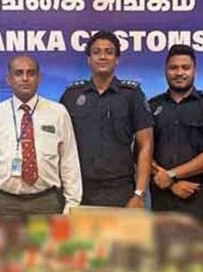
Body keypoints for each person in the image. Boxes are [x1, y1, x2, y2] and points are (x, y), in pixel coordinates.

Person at [0, 55, 81, 217]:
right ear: (9, 79)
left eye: (30, 73)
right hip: (5, 203)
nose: (25, 78)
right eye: (18, 73)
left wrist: (72, 204)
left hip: (46, 202)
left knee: (46, 236)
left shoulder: (58, 112)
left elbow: (69, 161)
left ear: (39, 78)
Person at [60, 31, 153, 207]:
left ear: (117, 59)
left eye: (109, 52)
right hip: (79, 189)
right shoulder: (71, 95)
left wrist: (140, 193)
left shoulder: (131, 94)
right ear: (89, 59)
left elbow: (146, 145)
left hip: (120, 189)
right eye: (96, 52)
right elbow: (60, 143)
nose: (102, 57)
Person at [148, 44, 203, 222]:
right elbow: (143, 153)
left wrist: (171, 175)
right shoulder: (152, 106)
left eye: (185, 67)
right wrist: (171, 184)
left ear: (194, 70)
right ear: (165, 71)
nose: (179, 73)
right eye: (173, 68)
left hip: (196, 197)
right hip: (161, 198)